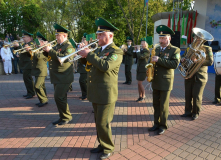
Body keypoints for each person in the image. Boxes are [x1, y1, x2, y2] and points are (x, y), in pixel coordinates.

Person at [78, 17, 123, 159]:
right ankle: (102, 143)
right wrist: (83, 55)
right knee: (98, 122)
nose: (98, 37)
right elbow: (90, 65)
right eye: (98, 34)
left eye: (101, 35)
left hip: (106, 93)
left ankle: (108, 147)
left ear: (110, 36)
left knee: (103, 123)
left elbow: (106, 66)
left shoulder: (116, 51)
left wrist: (89, 54)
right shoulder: (98, 50)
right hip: (96, 91)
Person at [148, 25, 180, 135]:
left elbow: (175, 64)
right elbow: (152, 61)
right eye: (160, 38)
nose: (161, 40)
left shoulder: (175, 50)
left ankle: (163, 125)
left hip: (166, 82)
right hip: (155, 80)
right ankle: (156, 123)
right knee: (155, 104)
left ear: (169, 38)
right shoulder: (156, 49)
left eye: (164, 38)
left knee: (163, 105)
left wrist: (159, 60)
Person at [43, 23, 74, 125]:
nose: (56, 37)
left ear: (65, 35)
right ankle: (63, 116)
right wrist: (45, 50)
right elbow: (52, 56)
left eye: (58, 35)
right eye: (56, 35)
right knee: (60, 97)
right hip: (57, 76)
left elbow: (64, 58)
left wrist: (50, 51)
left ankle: (66, 116)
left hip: (64, 76)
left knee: (58, 97)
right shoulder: (58, 46)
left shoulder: (69, 46)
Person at [181, 33, 213, 120]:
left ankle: (195, 113)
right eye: (196, 37)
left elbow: (210, 62)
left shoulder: (207, 48)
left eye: (199, 37)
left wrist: (198, 61)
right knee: (188, 94)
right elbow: (184, 56)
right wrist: (182, 59)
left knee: (196, 95)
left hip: (200, 76)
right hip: (189, 74)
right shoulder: (190, 48)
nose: (197, 39)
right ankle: (187, 111)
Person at [14, 30, 35, 99]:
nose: (23, 38)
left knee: (27, 78)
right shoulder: (24, 44)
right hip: (25, 63)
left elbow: (32, 54)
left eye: (24, 37)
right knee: (27, 78)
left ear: (28, 37)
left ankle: (31, 93)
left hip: (29, 63)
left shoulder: (32, 43)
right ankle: (30, 92)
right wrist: (17, 46)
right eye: (23, 37)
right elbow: (19, 51)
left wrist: (28, 49)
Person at [31, 32, 49, 107]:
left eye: (38, 41)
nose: (36, 42)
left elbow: (39, 57)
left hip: (41, 70)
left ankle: (44, 100)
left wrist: (42, 47)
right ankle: (43, 99)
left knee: (37, 86)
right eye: (36, 41)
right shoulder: (37, 49)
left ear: (42, 42)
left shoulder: (45, 49)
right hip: (37, 70)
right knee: (41, 86)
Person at [133, 38, 150, 102]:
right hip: (139, 69)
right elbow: (134, 56)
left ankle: (144, 95)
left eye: (143, 43)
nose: (142, 44)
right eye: (141, 43)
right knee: (138, 83)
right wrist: (135, 50)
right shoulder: (141, 50)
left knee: (140, 83)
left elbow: (140, 56)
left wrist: (138, 50)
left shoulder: (147, 51)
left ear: (146, 44)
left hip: (143, 69)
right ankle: (140, 96)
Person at [77, 33, 88, 100]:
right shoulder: (81, 46)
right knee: (83, 81)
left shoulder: (89, 47)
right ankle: (84, 94)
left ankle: (86, 94)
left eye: (84, 39)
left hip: (86, 67)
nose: (82, 40)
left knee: (82, 81)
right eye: (82, 39)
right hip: (81, 66)